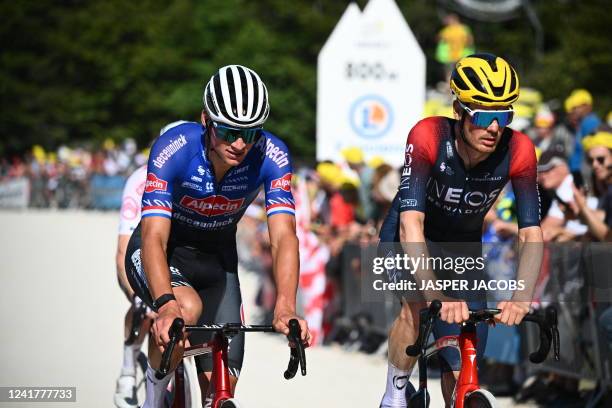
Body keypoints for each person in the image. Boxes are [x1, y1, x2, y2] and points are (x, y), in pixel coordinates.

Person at [125, 65, 311, 408]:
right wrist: (165, 304)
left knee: (220, 390)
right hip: (165, 251)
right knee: (185, 311)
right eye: (228, 131)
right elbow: (153, 235)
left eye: (251, 134)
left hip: (217, 260)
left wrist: (285, 306)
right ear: (206, 120)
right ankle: (152, 395)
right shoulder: (174, 148)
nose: (240, 144)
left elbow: (284, 237)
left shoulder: (273, 155)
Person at [377, 53, 543, 407]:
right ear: (458, 109)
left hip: (461, 248)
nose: (494, 127)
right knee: (417, 307)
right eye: (483, 114)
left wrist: (521, 296)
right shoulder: (428, 136)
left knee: (462, 357)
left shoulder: (521, 150)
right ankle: (393, 396)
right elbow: (411, 225)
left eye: (504, 115)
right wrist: (435, 292)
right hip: (408, 237)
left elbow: (530, 233)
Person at [114, 163, 151, 408]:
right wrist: (134, 293)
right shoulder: (140, 180)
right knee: (143, 303)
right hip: (141, 248)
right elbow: (123, 250)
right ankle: (128, 372)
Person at [564, 89, 601, 182]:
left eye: (578, 107)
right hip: (580, 171)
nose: (575, 110)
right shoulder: (584, 123)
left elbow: (592, 149)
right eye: (574, 107)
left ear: (588, 106)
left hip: (586, 172)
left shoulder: (590, 123)